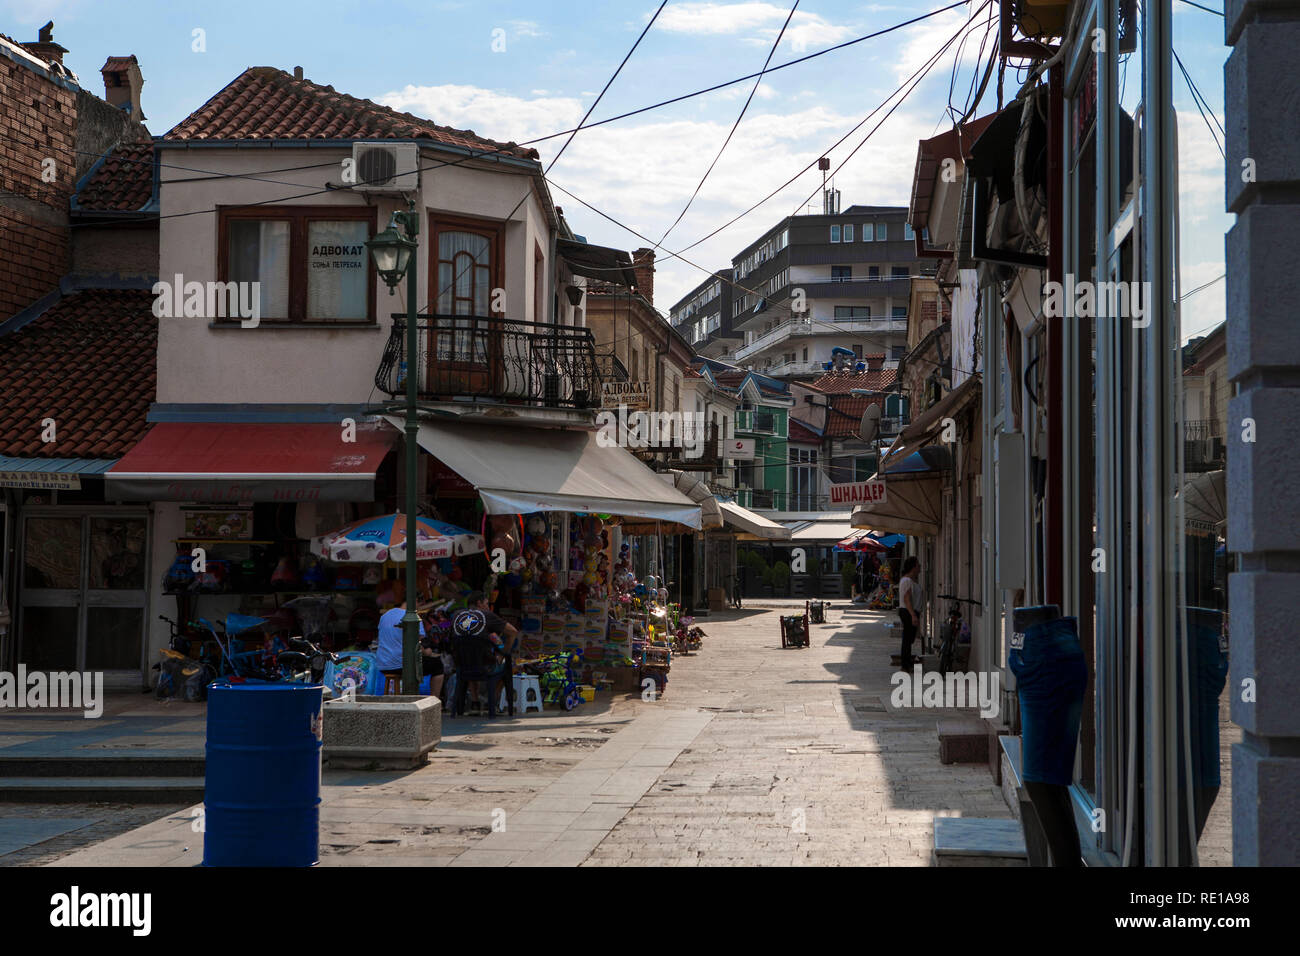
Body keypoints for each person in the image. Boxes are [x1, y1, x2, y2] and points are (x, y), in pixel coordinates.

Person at [376, 599, 425, 688]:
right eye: (420, 604)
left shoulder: (384, 615)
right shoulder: (414, 616)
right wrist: (428, 652)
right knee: (437, 666)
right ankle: (435, 699)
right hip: (401, 665)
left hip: (382, 664)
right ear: (415, 601)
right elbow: (417, 645)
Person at [898, 556, 922, 672]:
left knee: (909, 638)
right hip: (908, 611)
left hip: (910, 611)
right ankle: (905, 664)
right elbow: (907, 599)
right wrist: (913, 615)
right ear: (913, 567)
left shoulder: (910, 580)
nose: (920, 567)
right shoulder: (907, 581)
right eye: (918, 565)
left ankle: (907, 662)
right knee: (907, 638)